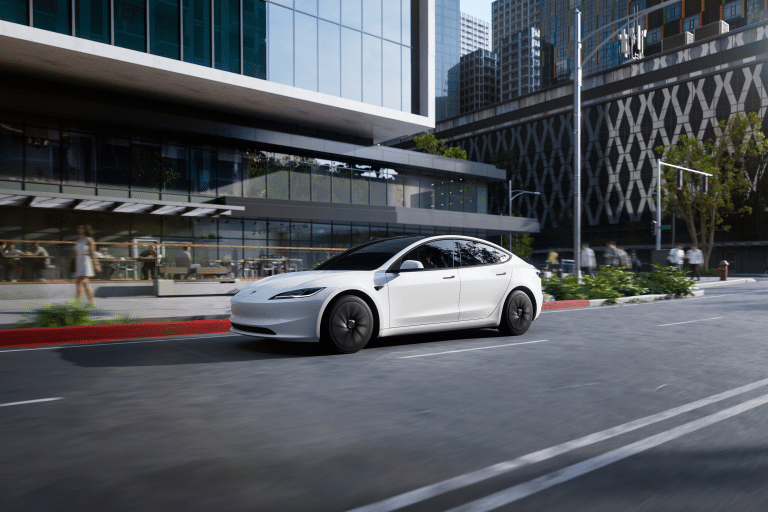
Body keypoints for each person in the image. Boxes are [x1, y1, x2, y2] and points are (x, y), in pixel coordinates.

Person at [71, 225, 100, 305]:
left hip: (85, 261)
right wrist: (71, 262)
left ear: (85, 229)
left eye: (81, 228)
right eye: (79, 228)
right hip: (79, 261)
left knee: (80, 282)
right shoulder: (78, 240)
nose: (80, 229)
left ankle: (77, 302)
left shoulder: (89, 239)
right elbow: (75, 252)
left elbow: (93, 253)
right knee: (84, 284)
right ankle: (91, 302)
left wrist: (96, 264)